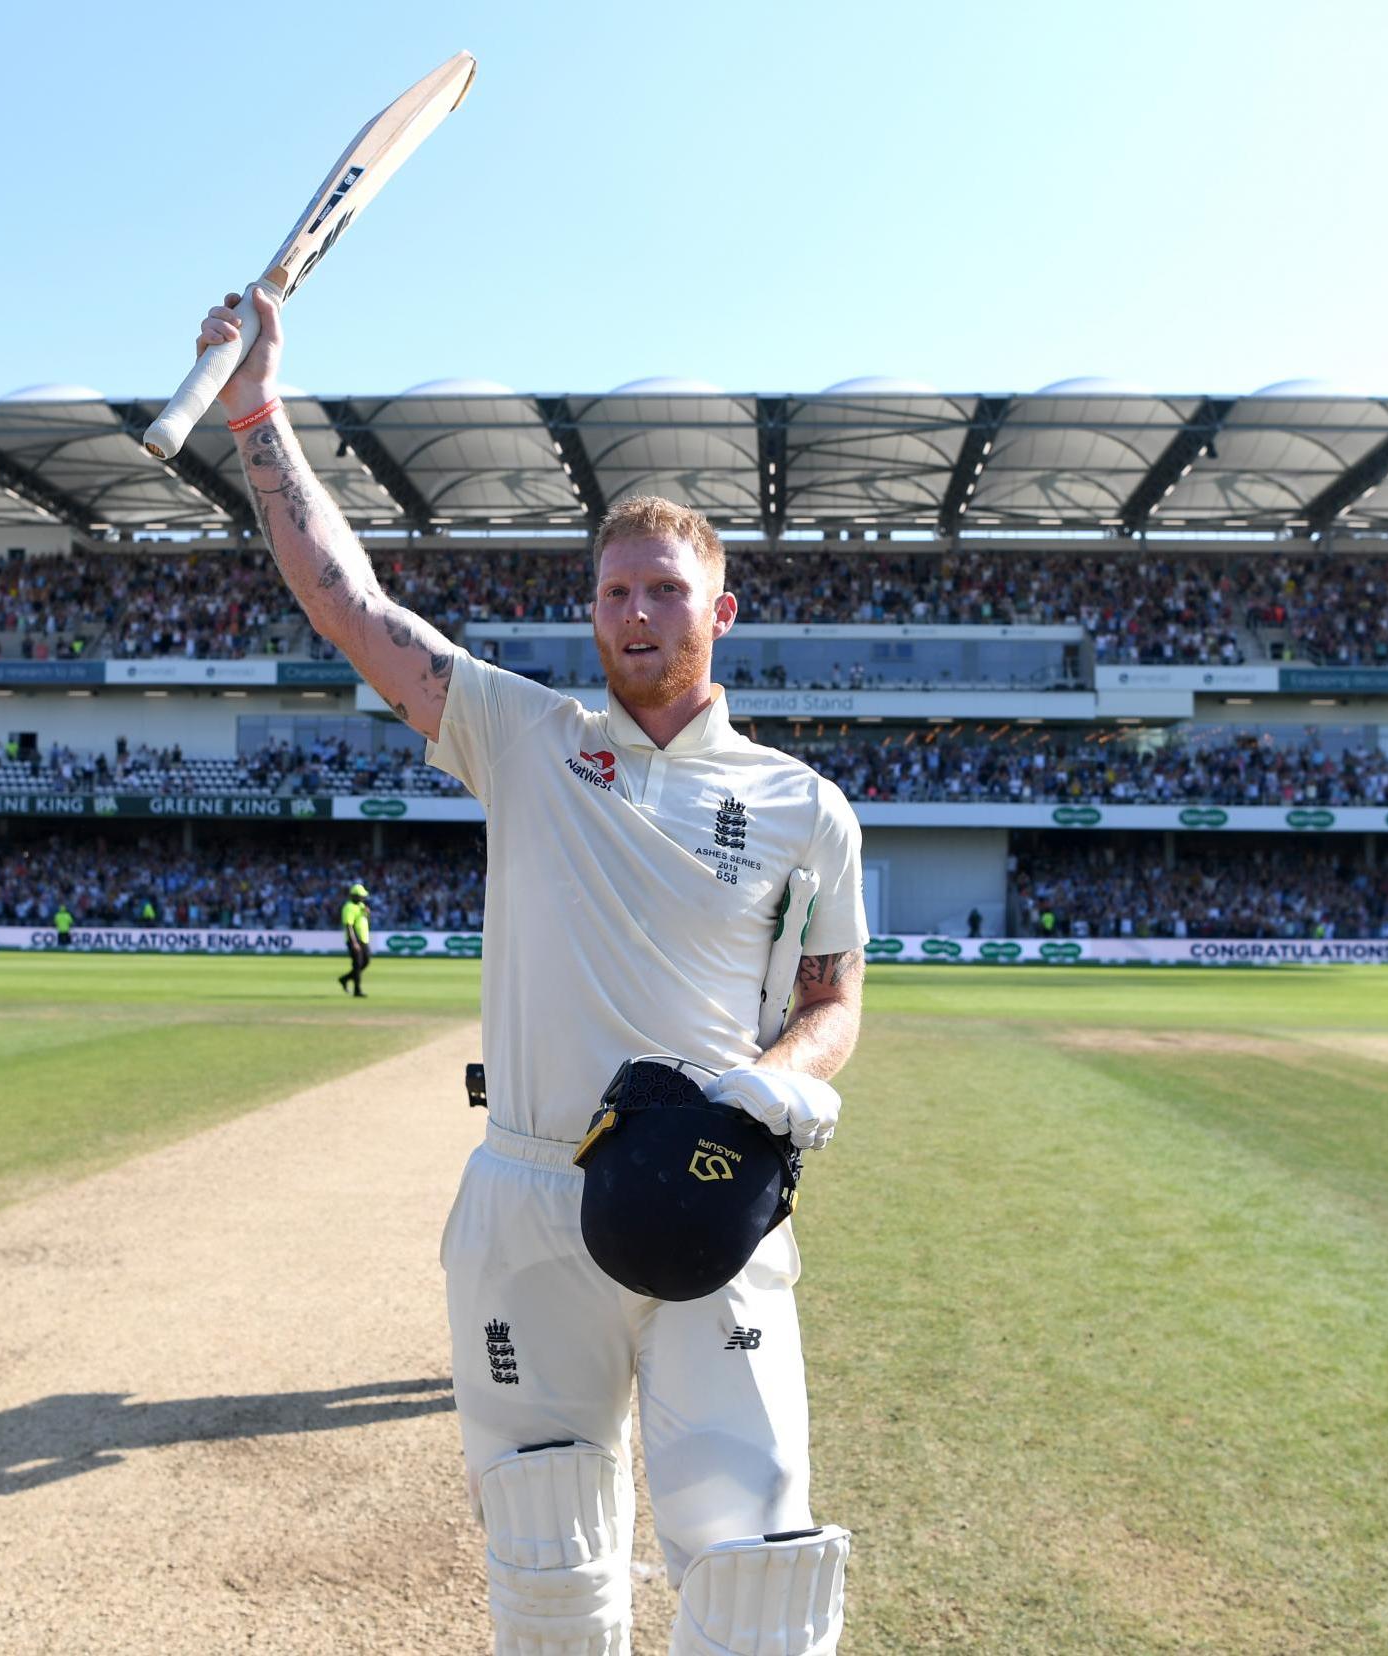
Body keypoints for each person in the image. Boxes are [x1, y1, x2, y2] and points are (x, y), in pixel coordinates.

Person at [197, 290, 867, 1655]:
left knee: (752, 1568)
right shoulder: (520, 733)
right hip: (527, 1194)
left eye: (664, 591)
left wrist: (774, 1088)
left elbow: (832, 1001)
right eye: (615, 592)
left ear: (719, 610)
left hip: (705, 1188)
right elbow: (347, 601)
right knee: (551, 1573)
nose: (635, 614)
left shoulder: (805, 805)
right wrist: (259, 417)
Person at [338, 882, 372, 996]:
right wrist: (354, 942)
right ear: (354, 896)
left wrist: (367, 914)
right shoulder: (349, 907)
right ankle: (357, 990)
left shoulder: (361, 905)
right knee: (357, 964)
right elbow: (349, 925)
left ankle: (345, 978)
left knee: (366, 961)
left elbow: (364, 920)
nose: (363, 897)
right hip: (355, 940)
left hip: (364, 939)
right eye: (361, 896)